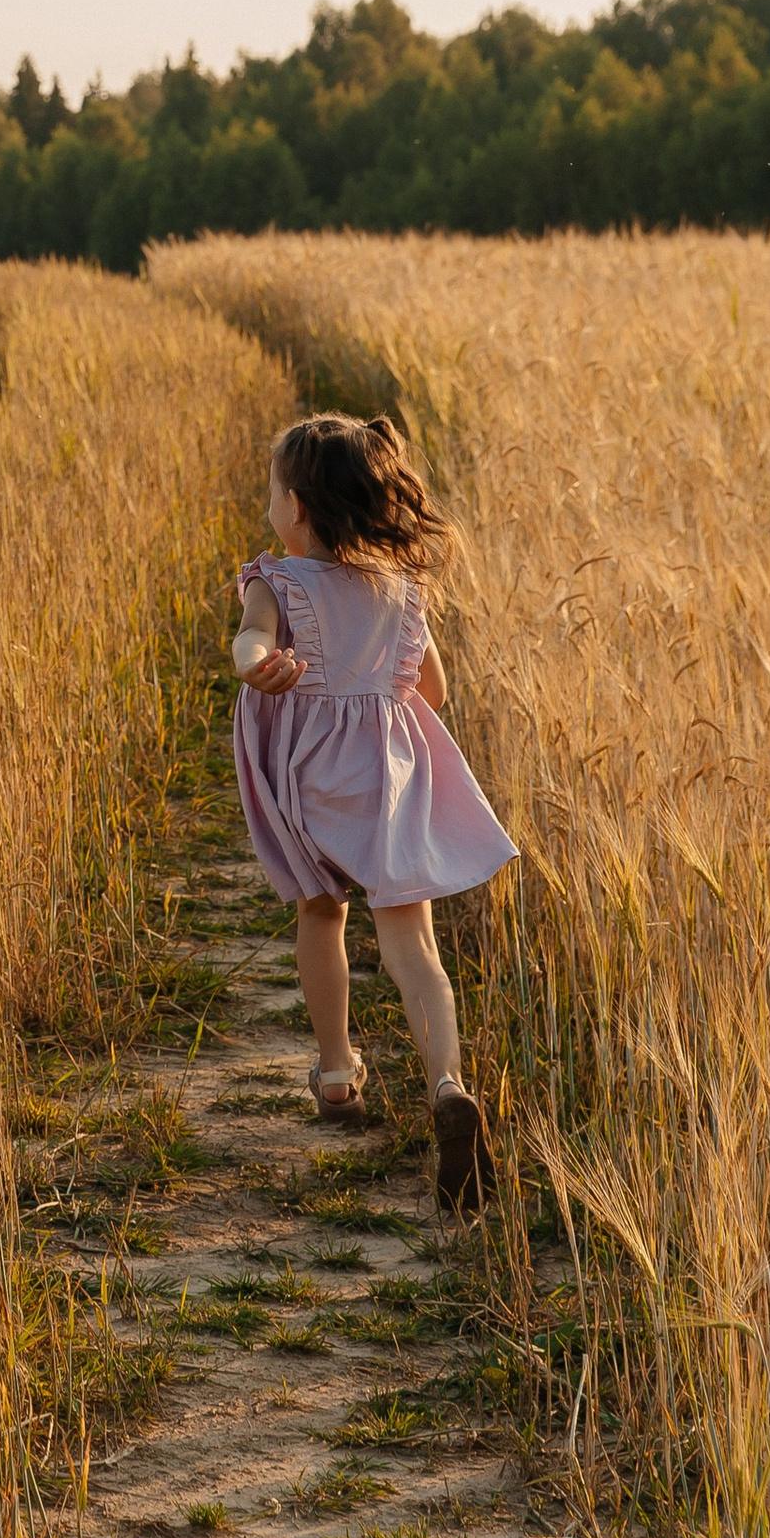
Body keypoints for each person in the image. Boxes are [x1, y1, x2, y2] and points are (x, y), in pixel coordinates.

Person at [231, 411, 514, 1209]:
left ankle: (335, 1075)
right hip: (390, 778)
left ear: (296, 507)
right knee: (413, 944)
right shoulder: (403, 586)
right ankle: (447, 1084)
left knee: (322, 912)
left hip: (311, 777)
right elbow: (434, 692)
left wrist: (260, 666)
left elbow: (250, 641)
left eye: (273, 492)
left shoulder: (276, 580)